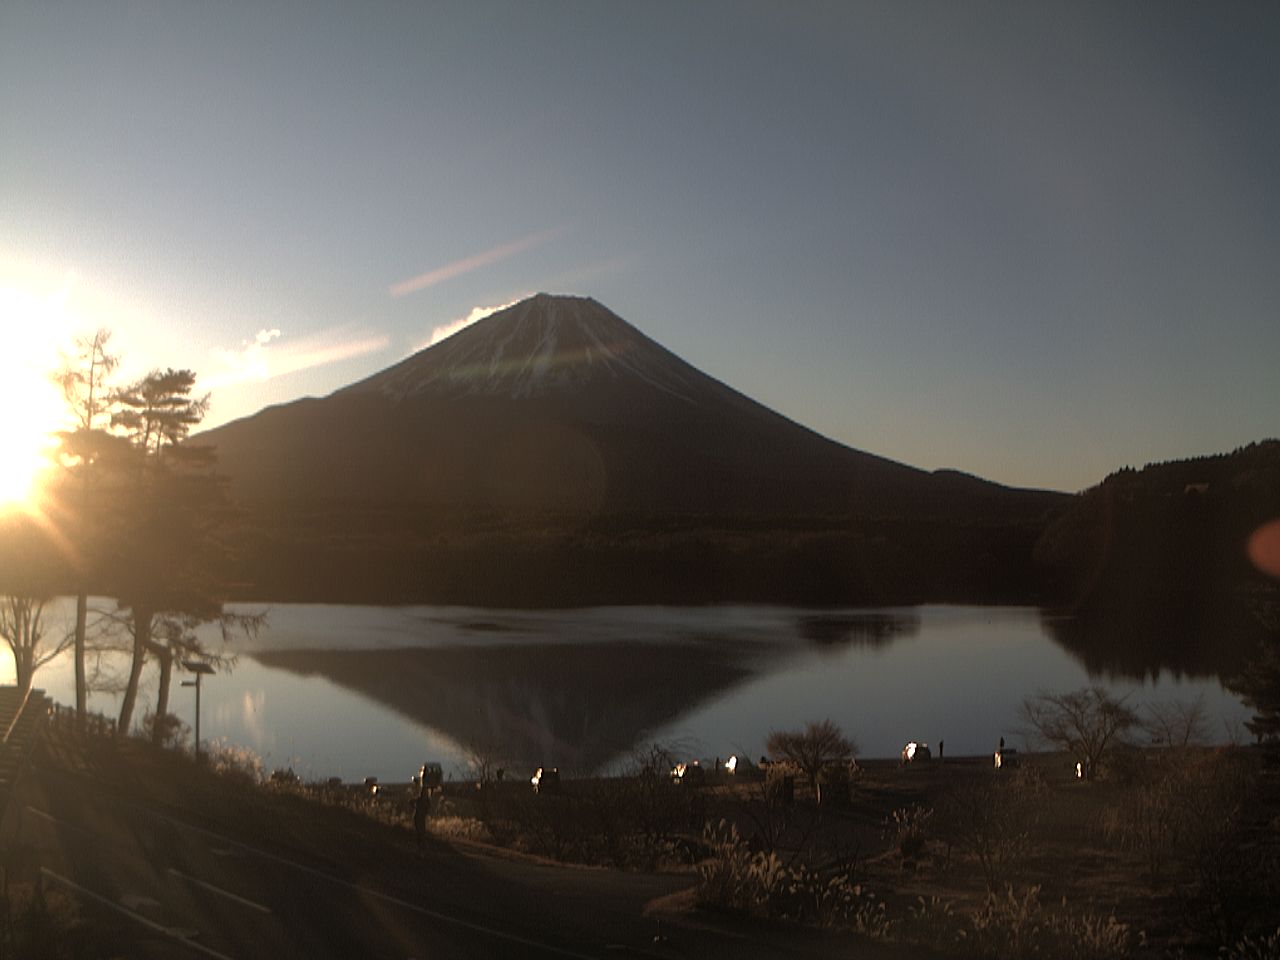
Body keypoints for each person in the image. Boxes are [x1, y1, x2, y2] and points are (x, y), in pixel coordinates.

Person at [413, 782, 430, 855]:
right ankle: (421, 848)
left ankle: (422, 848)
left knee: (422, 833)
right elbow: (411, 802)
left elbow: (429, 807)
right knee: (420, 833)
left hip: (421, 818)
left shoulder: (427, 801)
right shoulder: (419, 799)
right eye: (424, 792)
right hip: (417, 817)